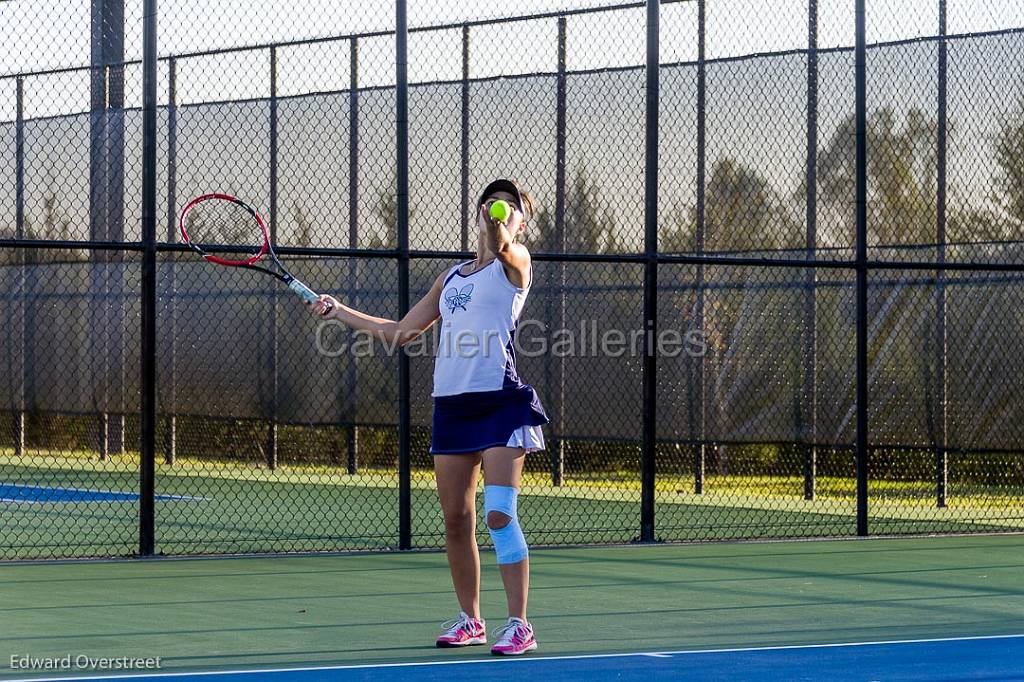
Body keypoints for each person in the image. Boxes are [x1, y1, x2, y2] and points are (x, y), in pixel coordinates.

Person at [314, 178, 548, 656]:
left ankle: (520, 624)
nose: (499, 208)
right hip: (452, 407)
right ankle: (471, 620)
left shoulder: (517, 261)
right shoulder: (452, 277)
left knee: (499, 515)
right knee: (456, 521)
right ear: (478, 211)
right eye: (492, 201)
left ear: (521, 222)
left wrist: (498, 223)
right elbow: (401, 331)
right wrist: (340, 312)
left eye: (511, 206)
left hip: (500, 404)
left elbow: (502, 244)